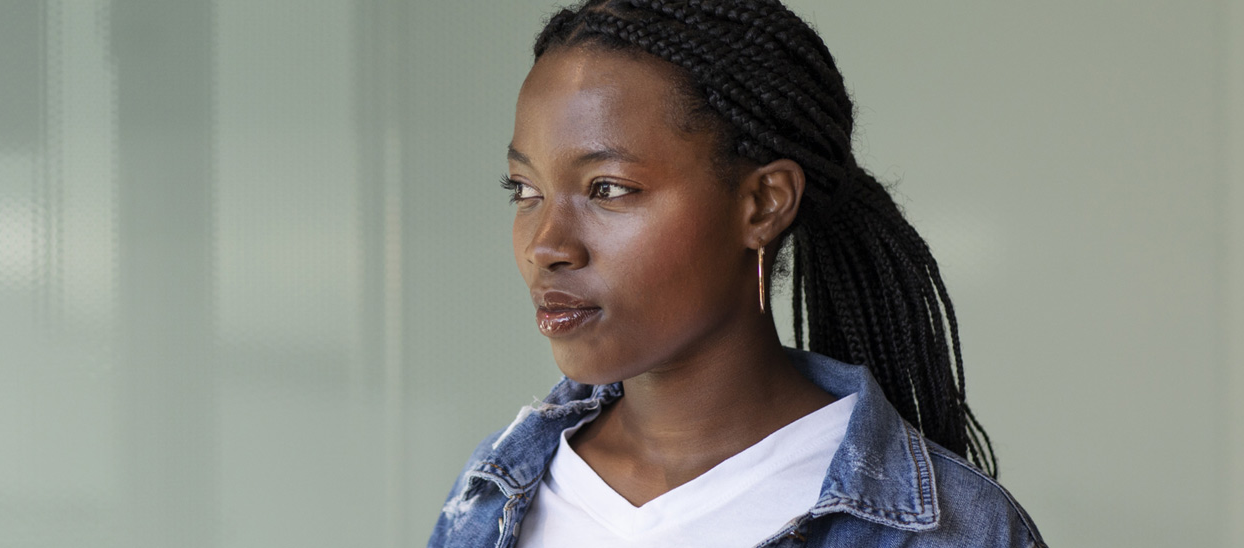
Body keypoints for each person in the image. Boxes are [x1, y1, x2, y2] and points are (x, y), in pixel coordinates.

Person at [429, 1, 1046, 546]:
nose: (546, 246)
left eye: (607, 189)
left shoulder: (956, 530)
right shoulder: (491, 494)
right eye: (524, 189)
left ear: (762, 204)